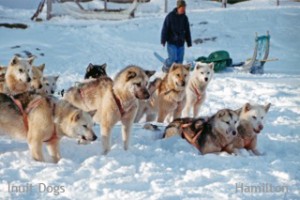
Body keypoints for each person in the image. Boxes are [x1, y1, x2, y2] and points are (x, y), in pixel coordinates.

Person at [161, 0, 192, 72]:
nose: (183, 9)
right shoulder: (170, 16)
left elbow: (187, 30)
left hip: (181, 42)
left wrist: (189, 42)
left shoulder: (185, 18)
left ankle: (175, 75)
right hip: (172, 42)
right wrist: (163, 40)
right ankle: (166, 65)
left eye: (184, 8)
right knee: (172, 59)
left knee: (179, 62)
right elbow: (165, 29)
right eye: (182, 8)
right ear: (178, 7)